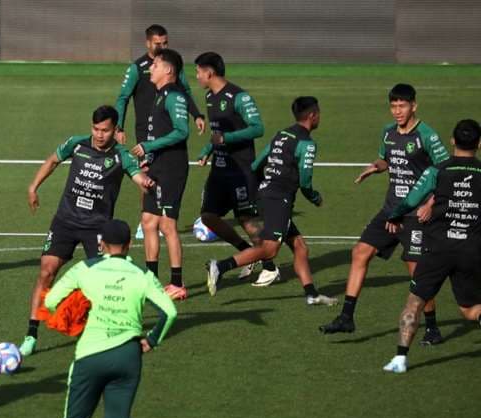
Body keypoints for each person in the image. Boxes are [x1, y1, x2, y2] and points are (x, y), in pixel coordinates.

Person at [30, 219, 177, 418]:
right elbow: (170, 311)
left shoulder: (86, 269)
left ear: (101, 244)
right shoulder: (142, 274)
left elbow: (53, 301)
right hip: (128, 357)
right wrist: (151, 340)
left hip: (90, 355)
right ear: (128, 245)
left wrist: (79, 310)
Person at [19, 106, 153, 357]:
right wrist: (33, 186)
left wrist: (145, 181)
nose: (99, 135)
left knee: (104, 281)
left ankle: (113, 329)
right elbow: (53, 160)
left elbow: (136, 176)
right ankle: (31, 334)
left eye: (105, 130)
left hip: (98, 227)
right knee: (46, 272)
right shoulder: (77, 144)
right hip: (65, 221)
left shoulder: (121, 155)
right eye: (96, 129)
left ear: (115, 130)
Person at [320, 84, 450, 341]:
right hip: (390, 210)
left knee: (417, 273)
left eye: (402, 106)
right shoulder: (388, 133)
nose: (397, 111)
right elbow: (388, 159)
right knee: (359, 252)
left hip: (414, 216)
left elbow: (444, 174)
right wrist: (375, 166)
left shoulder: (427, 135)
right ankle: (347, 317)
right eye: (393, 106)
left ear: (414, 106)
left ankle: (432, 327)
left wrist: (429, 204)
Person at [206, 97, 337, 306]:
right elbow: (305, 180)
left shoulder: (281, 135)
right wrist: (314, 197)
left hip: (266, 196)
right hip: (279, 200)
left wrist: (263, 187)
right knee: (269, 249)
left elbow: (258, 163)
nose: (319, 116)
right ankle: (220, 266)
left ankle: (311, 294)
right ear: (312, 115)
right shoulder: (307, 144)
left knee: (300, 247)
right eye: (318, 113)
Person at [383, 119, 481, 373]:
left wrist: (394, 214)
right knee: (470, 310)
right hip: (471, 250)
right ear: (479, 144)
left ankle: (400, 359)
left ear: (452, 141)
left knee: (414, 301)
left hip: (437, 249)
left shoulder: (437, 171)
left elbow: (411, 199)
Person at [193, 51, 279, 286]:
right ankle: (246, 253)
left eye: (198, 72)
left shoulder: (239, 97)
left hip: (240, 170)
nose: (197, 77)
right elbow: (217, 132)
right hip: (219, 170)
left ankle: (270, 268)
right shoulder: (210, 97)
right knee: (208, 216)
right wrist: (207, 150)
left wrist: (227, 139)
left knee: (248, 221)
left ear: (209, 72)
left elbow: (258, 128)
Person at [114, 24, 205, 239]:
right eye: (158, 43)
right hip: (146, 132)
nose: (162, 46)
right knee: (146, 173)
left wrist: (197, 114)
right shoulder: (138, 68)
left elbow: (185, 91)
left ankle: (164, 215)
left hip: (167, 126)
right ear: (148, 43)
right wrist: (119, 126)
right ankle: (145, 220)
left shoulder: (172, 65)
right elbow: (123, 97)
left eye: (165, 43)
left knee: (166, 170)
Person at [130, 49, 190, 299]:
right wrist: (148, 160)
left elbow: (181, 131)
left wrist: (149, 147)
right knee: (148, 221)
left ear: (168, 70)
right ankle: (151, 281)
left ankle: (177, 284)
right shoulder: (158, 95)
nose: (150, 68)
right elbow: (158, 133)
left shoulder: (175, 96)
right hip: (157, 166)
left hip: (171, 169)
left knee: (167, 225)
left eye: (154, 65)